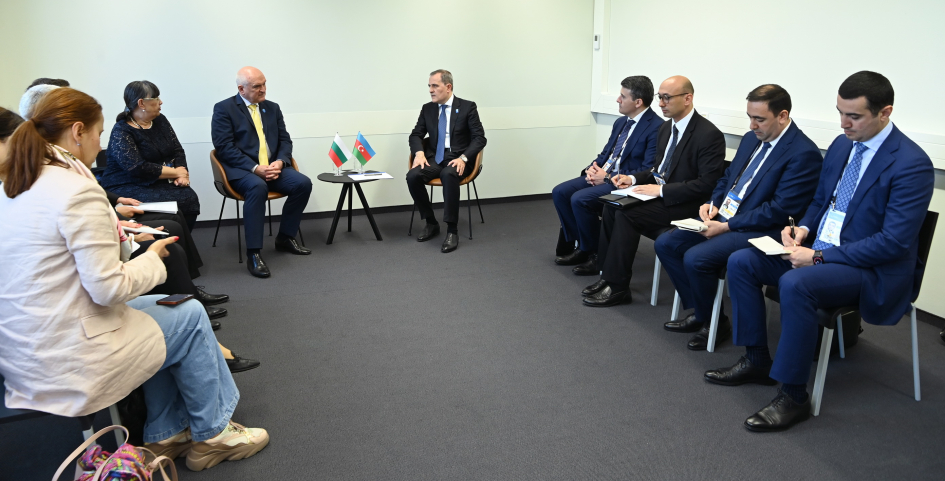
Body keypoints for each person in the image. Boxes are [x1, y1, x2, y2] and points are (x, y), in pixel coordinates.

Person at [0, 88, 269, 470]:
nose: (100, 144)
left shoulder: (15, 186)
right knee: (189, 315)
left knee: (163, 309)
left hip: (25, 348)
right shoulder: (75, 191)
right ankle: (214, 433)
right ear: (78, 131)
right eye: (98, 133)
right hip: (70, 351)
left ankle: (167, 432)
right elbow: (108, 289)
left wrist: (121, 242)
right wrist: (152, 260)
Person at [705, 71, 934, 432]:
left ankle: (793, 395)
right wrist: (803, 229)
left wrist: (818, 257)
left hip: (869, 268)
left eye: (854, 116)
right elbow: (821, 200)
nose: (843, 123)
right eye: (840, 113)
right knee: (743, 261)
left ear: (885, 112)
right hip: (821, 249)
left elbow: (893, 242)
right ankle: (757, 359)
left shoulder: (911, 164)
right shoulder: (843, 145)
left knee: (797, 284)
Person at [654, 85, 823, 350]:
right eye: (750, 117)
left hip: (762, 228)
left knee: (697, 258)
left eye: (759, 119)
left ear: (782, 116)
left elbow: (779, 210)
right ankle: (705, 313)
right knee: (666, 243)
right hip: (725, 217)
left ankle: (713, 323)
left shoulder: (803, 153)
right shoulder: (751, 138)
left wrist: (726, 226)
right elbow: (728, 178)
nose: (752, 125)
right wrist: (712, 203)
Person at [582, 76, 726, 307]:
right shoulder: (666, 128)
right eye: (660, 97)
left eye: (667, 98)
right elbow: (657, 169)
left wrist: (661, 190)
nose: (660, 104)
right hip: (659, 195)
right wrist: (631, 178)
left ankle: (618, 287)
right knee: (612, 205)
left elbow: (706, 184)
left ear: (687, 98)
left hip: (685, 203)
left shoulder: (708, 135)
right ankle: (608, 276)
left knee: (627, 215)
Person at [552, 76, 662, 275]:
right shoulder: (621, 123)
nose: (618, 100)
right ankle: (583, 246)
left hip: (623, 183)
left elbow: (648, 170)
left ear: (638, 102)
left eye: (622, 96)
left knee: (580, 199)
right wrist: (591, 169)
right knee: (560, 192)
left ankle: (596, 255)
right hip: (603, 175)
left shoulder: (657, 127)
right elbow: (606, 155)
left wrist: (607, 176)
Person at [212, 66, 313, 278]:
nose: (263, 89)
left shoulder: (272, 108)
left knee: (302, 184)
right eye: (257, 86)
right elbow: (224, 147)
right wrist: (255, 168)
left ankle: (285, 237)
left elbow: (285, 140)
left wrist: (280, 162)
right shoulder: (224, 109)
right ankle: (254, 253)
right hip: (243, 170)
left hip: (272, 167)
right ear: (241, 89)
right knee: (257, 187)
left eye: (264, 84)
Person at [99, 81, 201, 231]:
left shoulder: (160, 120)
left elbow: (177, 150)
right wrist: (176, 173)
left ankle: (181, 241)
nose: (161, 102)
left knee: (189, 197)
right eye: (156, 98)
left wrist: (182, 173)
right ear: (141, 103)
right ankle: (166, 238)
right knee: (177, 201)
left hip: (156, 180)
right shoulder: (122, 130)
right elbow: (137, 168)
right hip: (126, 184)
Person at [407, 69, 487, 253]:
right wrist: (419, 153)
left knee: (448, 174)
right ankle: (431, 222)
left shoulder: (467, 107)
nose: (430, 90)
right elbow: (416, 135)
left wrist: (464, 158)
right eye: (429, 86)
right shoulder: (428, 109)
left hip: (458, 158)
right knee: (412, 176)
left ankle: (452, 230)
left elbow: (479, 138)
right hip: (435, 158)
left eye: (435, 86)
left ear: (448, 87)